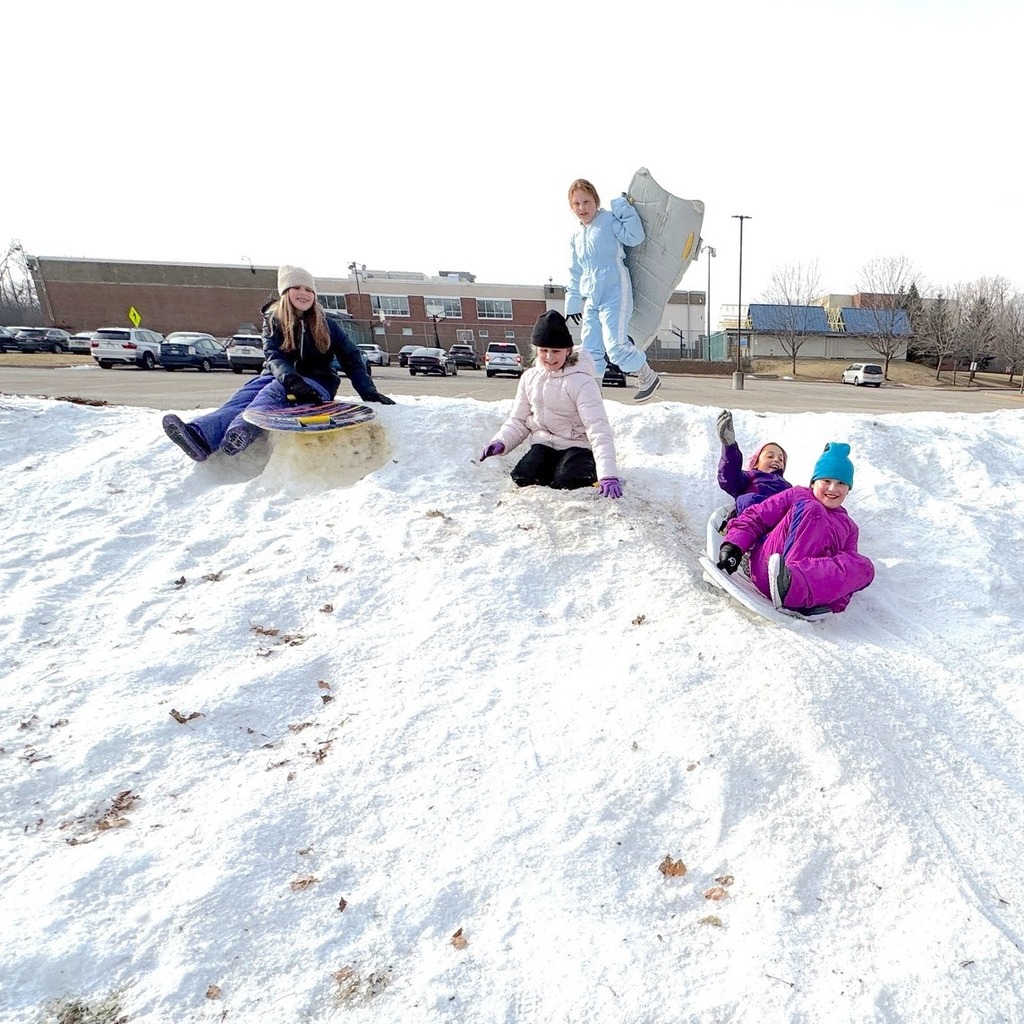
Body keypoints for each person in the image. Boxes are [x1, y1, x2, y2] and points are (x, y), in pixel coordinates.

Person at [162, 265, 394, 461]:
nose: (303, 294)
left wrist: (368, 391)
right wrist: (291, 379)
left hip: (317, 383)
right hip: (280, 376)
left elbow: (351, 357)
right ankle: (200, 436)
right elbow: (274, 355)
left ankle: (241, 430)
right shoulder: (273, 321)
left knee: (272, 392)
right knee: (247, 394)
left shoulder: (327, 324)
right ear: (285, 292)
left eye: (308, 289)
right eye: (296, 288)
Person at [716, 442, 874, 614]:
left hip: (810, 595)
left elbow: (845, 576)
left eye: (841, 483)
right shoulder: (798, 494)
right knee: (813, 509)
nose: (832, 489)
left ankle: (797, 587)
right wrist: (734, 546)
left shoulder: (850, 527)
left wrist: (833, 603)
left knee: (864, 566)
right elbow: (757, 516)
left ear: (848, 490)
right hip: (770, 568)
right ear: (813, 483)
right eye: (826, 481)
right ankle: (786, 581)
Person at [480, 309, 622, 497]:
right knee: (522, 477)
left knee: (567, 482)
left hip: (577, 445)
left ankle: (588, 467)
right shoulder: (529, 378)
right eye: (544, 350)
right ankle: (556, 466)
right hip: (544, 444)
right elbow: (519, 420)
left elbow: (598, 428)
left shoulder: (582, 383)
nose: (549, 357)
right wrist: (501, 441)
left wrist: (608, 474)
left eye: (556, 351)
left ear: (568, 351)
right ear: (536, 350)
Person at [564, 178, 662, 404]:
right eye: (577, 204)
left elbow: (635, 236)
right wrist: (573, 301)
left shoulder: (608, 220)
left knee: (616, 349)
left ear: (595, 201)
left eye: (586, 202)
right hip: (592, 298)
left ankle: (648, 376)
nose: (582, 208)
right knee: (589, 351)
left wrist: (621, 206)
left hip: (615, 292)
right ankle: (593, 395)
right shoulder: (576, 237)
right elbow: (575, 272)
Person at [715, 409, 791, 514]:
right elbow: (729, 477)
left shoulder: (787, 487)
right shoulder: (750, 477)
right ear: (755, 462)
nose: (776, 460)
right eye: (770, 456)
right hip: (750, 520)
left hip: (778, 525)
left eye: (781, 459)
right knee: (746, 500)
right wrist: (730, 447)